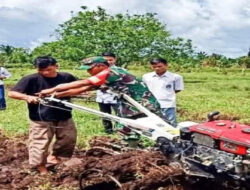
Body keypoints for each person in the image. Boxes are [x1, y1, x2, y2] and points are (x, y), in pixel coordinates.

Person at [8, 56, 77, 174]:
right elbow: (12, 93)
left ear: (56, 66)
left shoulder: (66, 77)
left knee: (68, 139)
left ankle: (55, 157)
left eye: (49, 69)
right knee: (40, 143)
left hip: (64, 115)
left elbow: (78, 86)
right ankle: (41, 167)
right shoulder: (30, 79)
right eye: (41, 70)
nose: (45, 72)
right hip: (41, 118)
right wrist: (27, 97)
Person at [38, 56, 161, 120]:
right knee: (126, 129)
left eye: (90, 68)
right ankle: (135, 152)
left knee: (159, 129)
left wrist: (51, 90)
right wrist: (56, 96)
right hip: (130, 105)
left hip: (144, 104)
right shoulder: (106, 77)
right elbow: (85, 88)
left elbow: (83, 83)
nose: (89, 72)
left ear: (100, 66)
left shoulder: (111, 72)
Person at [142, 58, 184, 127]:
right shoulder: (146, 76)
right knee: (153, 124)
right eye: (154, 67)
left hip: (168, 104)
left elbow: (177, 89)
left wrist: (166, 94)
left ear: (166, 65)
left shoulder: (175, 77)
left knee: (171, 124)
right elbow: (144, 89)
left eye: (160, 66)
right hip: (151, 104)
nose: (157, 68)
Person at [96, 52, 118, 134]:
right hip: (102, 97)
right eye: (106, 60)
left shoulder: (119, 71)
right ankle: (108, 131)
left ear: (115, 60)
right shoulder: (97, 71)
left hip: (115, 96)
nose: (108, 62)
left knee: (119, 115)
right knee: (105, 115)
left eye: (110, 60)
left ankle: (121, 131)